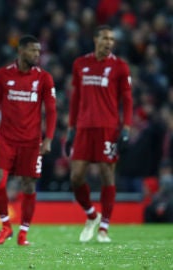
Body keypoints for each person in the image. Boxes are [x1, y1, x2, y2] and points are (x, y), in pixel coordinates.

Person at [0, 35, 57, 246]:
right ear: (21, 51)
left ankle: (23, 232)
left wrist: (48, 138)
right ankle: (6, 226)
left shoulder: (44, 78)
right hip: (6, 139)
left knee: (29, 186)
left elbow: (51, 110)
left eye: (39, 52)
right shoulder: (2, 75)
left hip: (32, 141)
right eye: (33, 51)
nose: (37, 55)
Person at [65, 25, 133, 243]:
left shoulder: (120, 67)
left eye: (112, 39)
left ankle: (104, 228)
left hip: (108, 127)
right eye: (105, 38)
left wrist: (127, 128)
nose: (109, 42)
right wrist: (70, 128)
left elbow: (128, 100)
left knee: (107, 173)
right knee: (76, 177)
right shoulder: (80, 64)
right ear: (95, 39)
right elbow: (75, 99)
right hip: (84, 127)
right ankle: (91, 215)